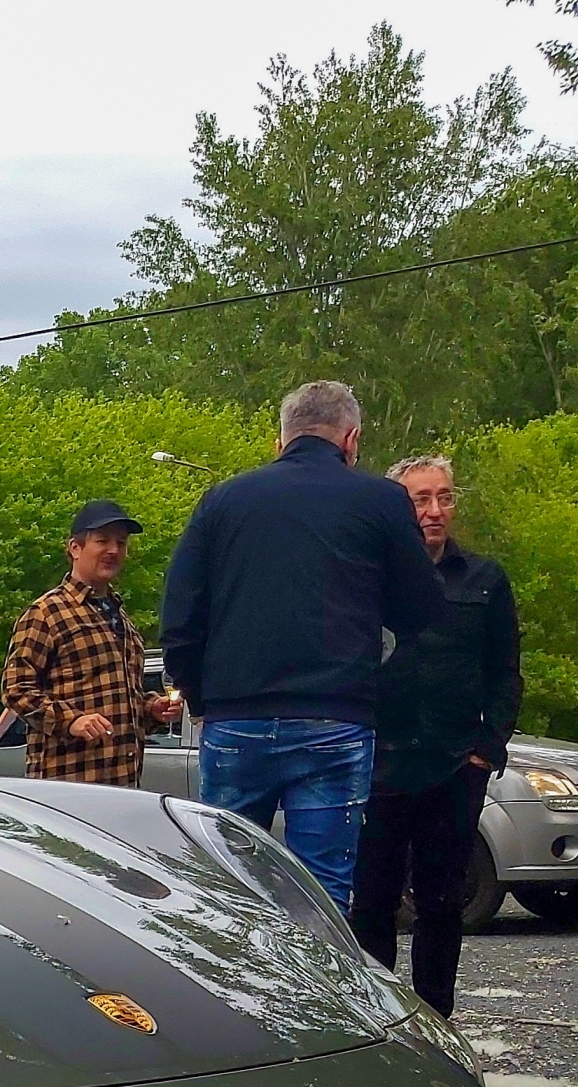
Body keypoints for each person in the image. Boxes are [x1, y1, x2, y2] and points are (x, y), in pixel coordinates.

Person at [160, 380, 446, 909]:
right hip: (333, 718)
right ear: (351, 439)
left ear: (281, 441)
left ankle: (233, 992)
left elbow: (179, 613)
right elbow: (423, 608)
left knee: (230, 890)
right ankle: (316, 991)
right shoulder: (380, 500)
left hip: (236, 718)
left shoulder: (222, 500)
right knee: (323, 892)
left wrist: (203, 699)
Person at [347, 456, 521, 1018]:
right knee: (371, 907)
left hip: (453, 767)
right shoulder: (366, 577)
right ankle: (377, 1028)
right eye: (420, 499)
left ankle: (435, 1027)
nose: (435, 510)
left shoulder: (484, 579)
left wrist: (485, 752)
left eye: (444, 497)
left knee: (442, 906)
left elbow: (506, 672)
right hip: (378, 766)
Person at [0, 500, 184, 784]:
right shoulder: (46, 612)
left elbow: (116, 700)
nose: (113, 550)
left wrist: (151, 710)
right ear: (75, 548)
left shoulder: (119, 616)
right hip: (68, 786)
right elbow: (15, 690)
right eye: (102, 541)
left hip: (123, 784)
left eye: (121, 543)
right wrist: (71, 721)